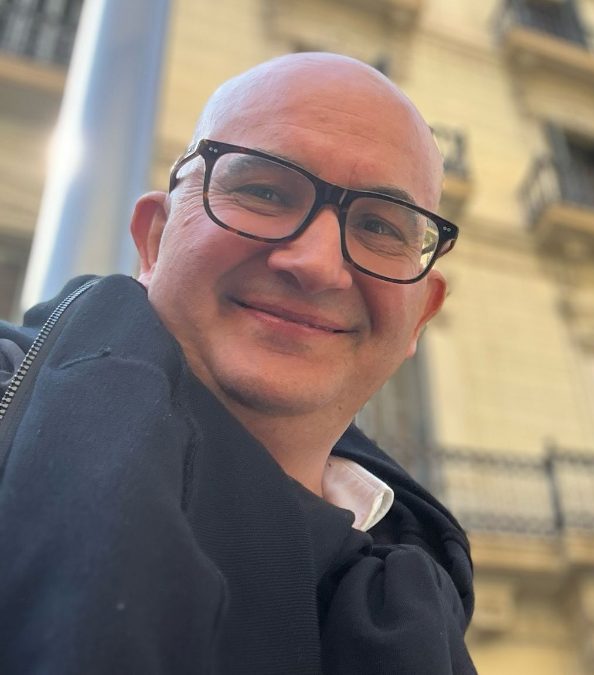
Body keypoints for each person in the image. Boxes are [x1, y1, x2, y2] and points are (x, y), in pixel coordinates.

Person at [0, 53, 476, 674]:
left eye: (380, 227)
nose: (316, 265)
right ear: (154, 239)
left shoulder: (420, 585)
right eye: (265, 192)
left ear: (420, 315)